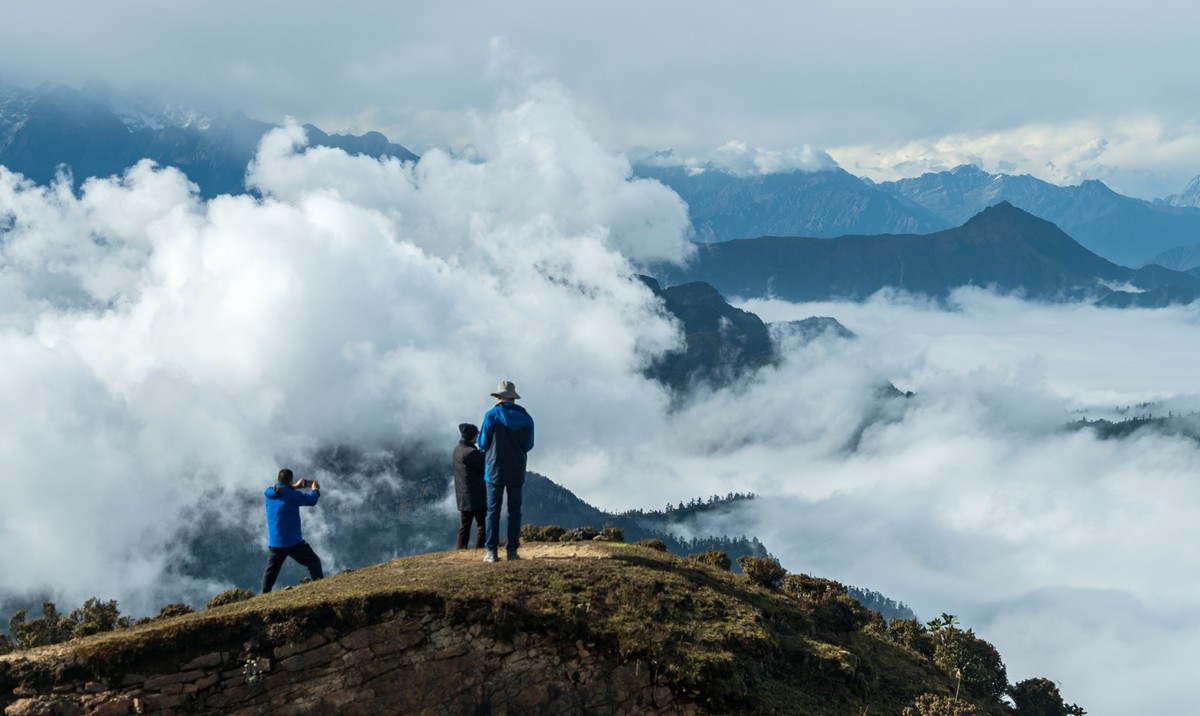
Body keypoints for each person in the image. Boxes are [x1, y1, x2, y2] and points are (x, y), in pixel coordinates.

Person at [478, 380, 535, 563]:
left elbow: (483, 442)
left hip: (494, 469)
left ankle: (491, 552)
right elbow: (529, 445)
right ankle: (512, 551)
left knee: (493, 510)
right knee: (514, 511)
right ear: (513, 398)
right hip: (516, 468)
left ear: (499, 397)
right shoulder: (526, 418)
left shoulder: (491, 416)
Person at [261, 468, 324, 593]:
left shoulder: (269, 493)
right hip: (291, 541)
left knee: (271, 571)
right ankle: (321, 589)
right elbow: (311, 500)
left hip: (274, 541)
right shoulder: (293, 495)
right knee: (314, 562)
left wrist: (294, 487)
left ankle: (264, 594)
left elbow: (282, 492)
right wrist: (315, 490)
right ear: (290, 480)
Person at [453, 422, 487, 549]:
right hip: (476, 494)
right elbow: (484, 464)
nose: (478, 436)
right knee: (482, 525)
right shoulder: (471, 452)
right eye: (477, 434)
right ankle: (479, 550)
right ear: (472, 436)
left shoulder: (457, 450)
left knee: (464, 525)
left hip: (462, 494)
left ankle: (461, 550)